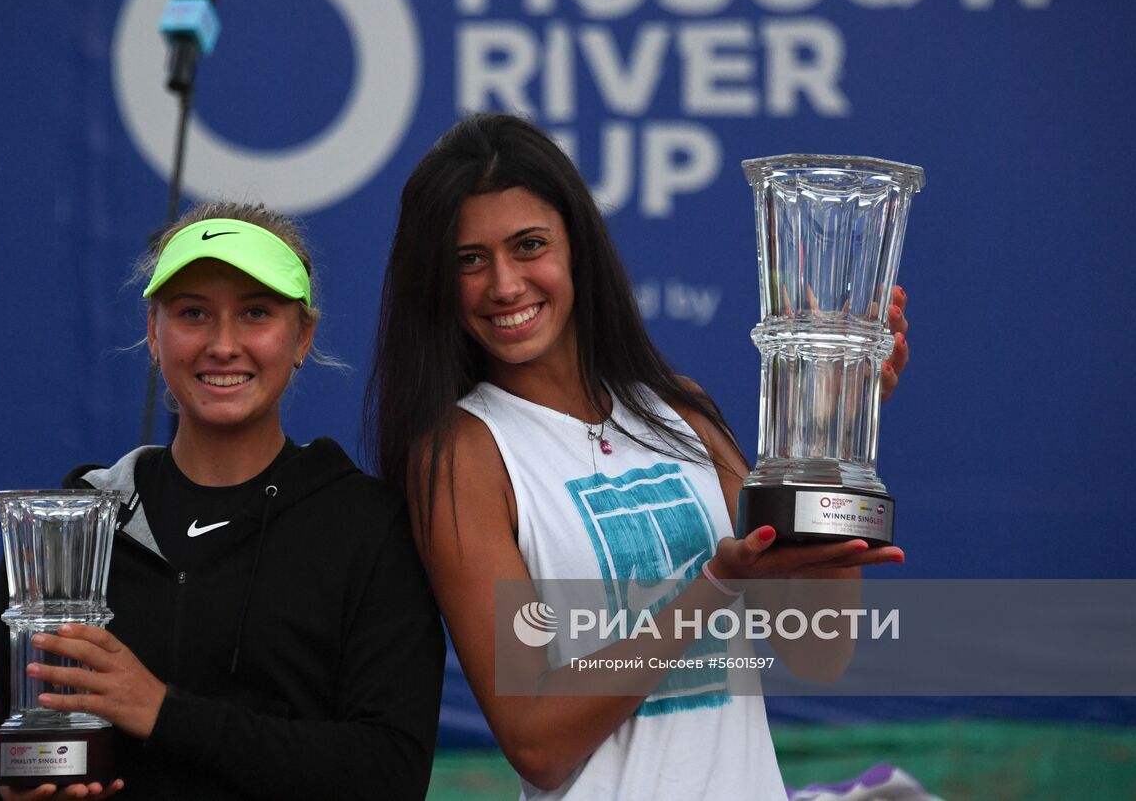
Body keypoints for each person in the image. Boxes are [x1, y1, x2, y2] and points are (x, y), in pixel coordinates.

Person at [367, 114, 910, 799]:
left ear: (577, 248)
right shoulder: (461, 454)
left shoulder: (678, 408)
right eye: (468, 260)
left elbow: (818, 651)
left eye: (529, 245)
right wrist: (712, 585)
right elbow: (536, 741)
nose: (504, 284)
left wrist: (827, 435)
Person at [0, 201, 445, 800]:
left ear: (303, 335)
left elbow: (390, 772)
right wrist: (12, 788)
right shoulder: (73, 526)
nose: (223, 345)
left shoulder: (371, 527)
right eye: (193, 313)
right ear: (153, 333)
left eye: (256, 313)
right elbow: (14, 742)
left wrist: (165, 714)